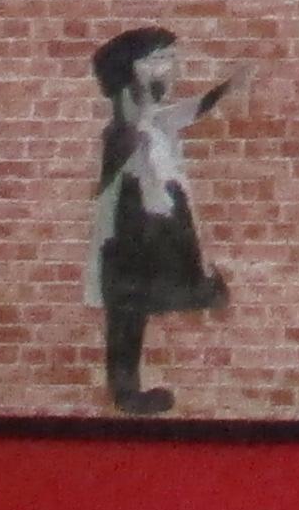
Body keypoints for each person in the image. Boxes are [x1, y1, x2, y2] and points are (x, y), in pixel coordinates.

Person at [86, 28, 237, 417]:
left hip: (155, 219)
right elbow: (125, 148)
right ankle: (126, 392)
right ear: (130, 71)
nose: (169, 67)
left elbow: (190, 110)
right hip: (132, 226)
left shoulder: (158, 121)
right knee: (128, 310)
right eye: (156, 59)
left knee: (135, 307)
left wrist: (225, 89)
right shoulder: (127, 127)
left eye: (170, 58)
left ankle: (128, 390)